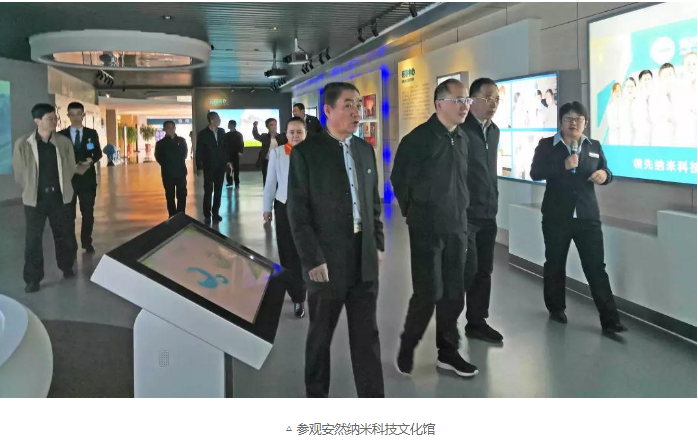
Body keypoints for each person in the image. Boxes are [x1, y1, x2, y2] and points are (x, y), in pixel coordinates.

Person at [287, 82, 385, 398]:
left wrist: (377, 243)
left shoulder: (365, 150)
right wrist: (312, 259)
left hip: (363, 259)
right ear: (328, 110)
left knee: (367, 337)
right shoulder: (306, 154)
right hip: (326, 261)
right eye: (348, 105)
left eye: (358, 104)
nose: (357, 111)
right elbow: (298, 214)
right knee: (320, 336)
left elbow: (373, 203)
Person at [391, 79, 477, 378]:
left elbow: (465, 180)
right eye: (458, 100)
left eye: (467, 100)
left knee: (454, 292)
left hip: (457, 226)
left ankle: (448, 352)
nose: (465, 106)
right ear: (439, 104)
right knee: (428, 292)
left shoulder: (463, 138)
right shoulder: (417, 140)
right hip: (426, 227)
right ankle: (408, 344)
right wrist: (414, 211)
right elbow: (399, 180)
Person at [529, 101, 627, 335]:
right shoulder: (547, 145)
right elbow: (535, 173)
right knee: (555, 263)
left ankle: (610, 320)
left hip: (587, 216)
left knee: (596, 267)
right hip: (556, 216)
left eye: (578, 119)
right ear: (561, 122)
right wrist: (562, 165)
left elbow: (607, 171)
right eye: (568, 119)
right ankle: (556, 308)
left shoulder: (594, 146)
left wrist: (604, 175)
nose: (573, 123)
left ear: (585, 123)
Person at [13, 104, 77, 293]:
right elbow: (19, 174)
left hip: (59, 198)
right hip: (35, 200)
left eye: (55, 118)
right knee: (33, 240)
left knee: (63, 234)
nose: (54, 121)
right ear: (37, 121)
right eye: (50, 118)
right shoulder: (23, 144)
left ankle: (66, 266)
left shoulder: (63, 143)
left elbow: (70, 168)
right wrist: (32, 188)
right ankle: (33, 279)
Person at [460, 78, 503, 343]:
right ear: (472, 99)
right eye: (488, 98)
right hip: (466, 214)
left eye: (496, 98)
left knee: (484, 270)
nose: (493, 103)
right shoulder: (461, 130)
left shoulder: (494, 131)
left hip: (488, 212)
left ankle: (477, 321)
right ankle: (447, 324)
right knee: (467, 269)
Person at [263, 117, 308, 319]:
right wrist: (267, 208)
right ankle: (297, 295)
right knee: (288, 252)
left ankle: (303, 288)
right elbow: (270, 182)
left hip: (308, 208)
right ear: (286, 134)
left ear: (305, 133)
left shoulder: (314, 153)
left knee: (305, 251)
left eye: (299, 132)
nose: (295, 135)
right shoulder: (278, 153)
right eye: (292, 132)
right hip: (284, 206)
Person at [58, 102, 102, 254]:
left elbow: (98, 152)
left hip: (87, 179)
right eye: (72, 114)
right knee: (68, 215)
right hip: (69, 180)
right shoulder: (61, 135)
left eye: (79, 114)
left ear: (83, 115)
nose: (76, 117)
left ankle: (86, 241)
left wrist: (91, 160)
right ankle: (71, 245)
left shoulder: (91, 133)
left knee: (88, 213)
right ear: (68, 116)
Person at [195, 111, 227, 223]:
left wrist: (228, 161)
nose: (219, 120)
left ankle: (216, 212)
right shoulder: (203, 134)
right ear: (212, 120)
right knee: (208, 190)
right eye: (218, 118)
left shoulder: (222, 131)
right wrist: (199, 166)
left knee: (218, 190)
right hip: (209, 166)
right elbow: (199, 150)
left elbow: (225, 148)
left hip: (220, 166)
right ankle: (207, 214)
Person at [154, 120, 188, 217]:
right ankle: (172, 216)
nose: (171, 129)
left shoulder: (181, 141)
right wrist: (167, 164)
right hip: (168, 174)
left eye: (172, 127)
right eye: (168, 127)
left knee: (182, 194)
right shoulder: (160, 143)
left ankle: (181, 214)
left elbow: (184, 154)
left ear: (175, 128)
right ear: (164, 129)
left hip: (180, 172)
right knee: (170, 196)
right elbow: (158, 157)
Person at [253, 118, 286, 186]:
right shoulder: (264, 136)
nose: (274, 127)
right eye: (271, 125)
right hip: (267, 162)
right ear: (267, 127)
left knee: (278, 180)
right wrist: (255, 127)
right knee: (267, 179)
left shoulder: (281, 137)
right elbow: (256, 136)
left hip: (278, 161)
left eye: (275, 125)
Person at [633, 69, 653, 145]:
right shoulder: (636, 100)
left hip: (655, 137)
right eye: (645, 80)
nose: (647, 82)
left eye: (649, 79)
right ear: (640, 82)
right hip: (641, 138)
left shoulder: (657, 97)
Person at [224, 119, 244, 188]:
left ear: (232, 125)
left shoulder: (238, 134)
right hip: (228, 153)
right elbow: (224, 144)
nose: (228, 125)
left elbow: (241, 143)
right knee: (228, 168)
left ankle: (236, 181)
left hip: (236, 153)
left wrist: (240, 151)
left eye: (229, 124)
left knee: (236, 168)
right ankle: (229, 182)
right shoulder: (226, 135)